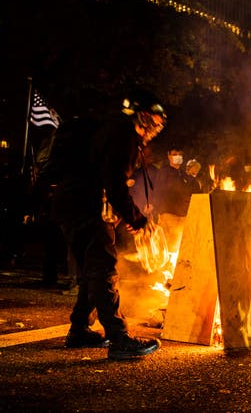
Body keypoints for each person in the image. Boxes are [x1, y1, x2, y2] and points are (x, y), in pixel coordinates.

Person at [51, 88, 165, 360]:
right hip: (85, 206)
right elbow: (114, 184)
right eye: (158, 119)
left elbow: (107, 181)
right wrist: (136, 218)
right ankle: (119, 338)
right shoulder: (122, 134)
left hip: (73, 203)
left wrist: (125, 215)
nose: (160, 126)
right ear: (143, 116)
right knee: (103, 271)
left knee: (91, 272)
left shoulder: (109, 130)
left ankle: (79, 330)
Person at [153, 145, 201, 253]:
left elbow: (194, 189)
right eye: (174, 154)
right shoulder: (164, 172)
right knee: (168, 248)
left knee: (180, 247)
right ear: (169, 156)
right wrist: (158, 212)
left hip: (183, 216)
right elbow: (158, 192)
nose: (177, 157)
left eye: (180, 155)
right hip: (168, 215)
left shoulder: (184, 174)